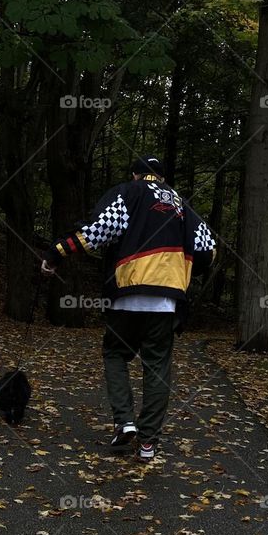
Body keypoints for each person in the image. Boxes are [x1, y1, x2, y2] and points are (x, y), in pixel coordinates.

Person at [41, 156, 215, 460]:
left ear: (136, 175)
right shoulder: (182, 205)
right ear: (160, 177)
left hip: (128, 292)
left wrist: (56, 252)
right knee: (157, 367)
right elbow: (207, 250)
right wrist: (183, 267)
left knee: (115, 353)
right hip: (167, 298)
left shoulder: (128, 192)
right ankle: (148, 443)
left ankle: (125, 422)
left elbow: (97, 231)